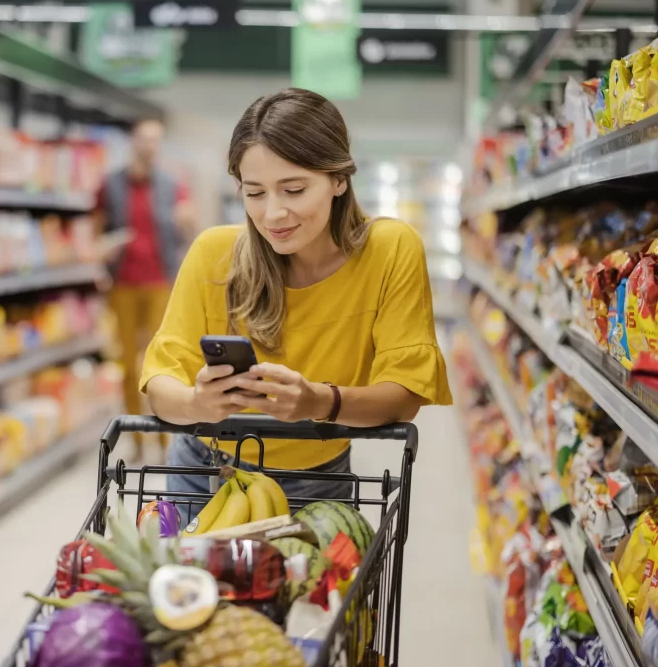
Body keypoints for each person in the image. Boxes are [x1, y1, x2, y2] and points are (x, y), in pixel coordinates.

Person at [139, 88, 452, 519]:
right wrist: (197, 404)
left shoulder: (390, 250)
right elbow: (160, 383)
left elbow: (405, 395)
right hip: (203, 472)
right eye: (255, 193)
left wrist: (318, 402)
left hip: (318, 478)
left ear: (339, 179)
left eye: (293, 189)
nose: (273, 214)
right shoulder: (214, 254)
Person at [98, 117, 195, 461]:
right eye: (144, 139)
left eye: (156, 140)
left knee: (162, 364)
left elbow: (187, 227)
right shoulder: (111, 184)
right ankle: (136, 439)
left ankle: (166, 440)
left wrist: (186, 222)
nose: (150, 146)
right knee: (127, 363)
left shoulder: (171, 184)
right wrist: (103, 249)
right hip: (123, 283)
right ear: (133, 142)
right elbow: (97, 230)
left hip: (160, 283)